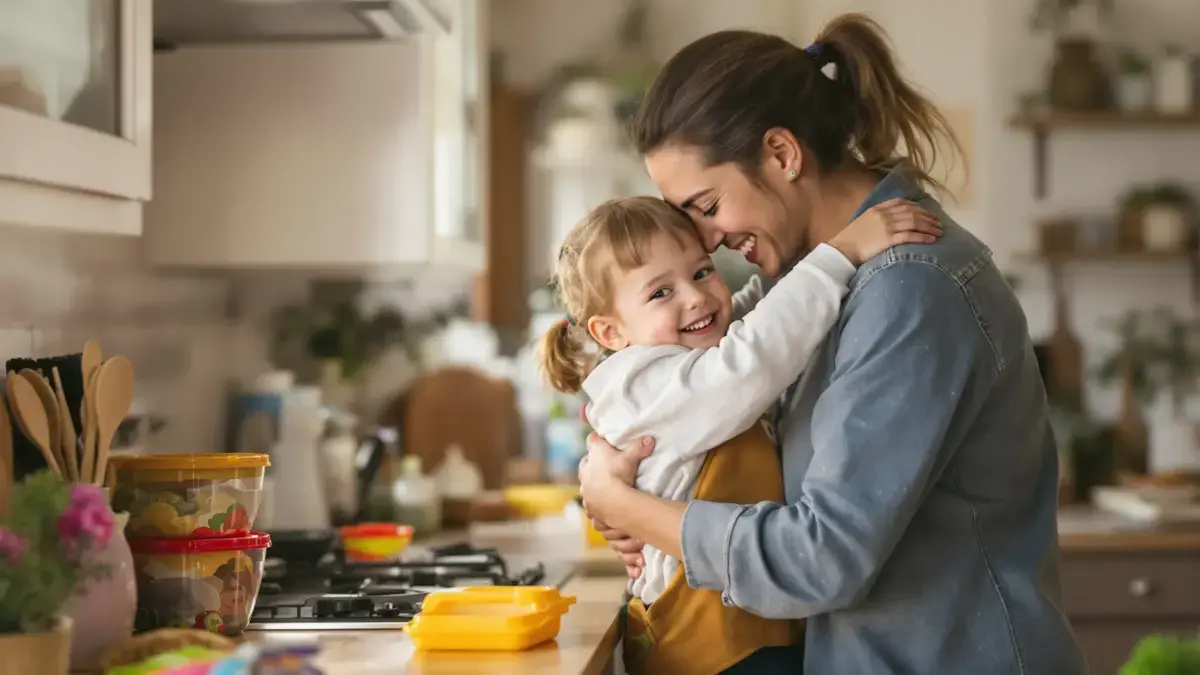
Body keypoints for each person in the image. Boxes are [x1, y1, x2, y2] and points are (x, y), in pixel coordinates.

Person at [577, 13, 1087, 675]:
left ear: (783, 155)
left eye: (706, 205)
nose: (704, 241)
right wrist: (623, 490)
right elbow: (691, 394)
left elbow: (822, 558)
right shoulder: (807, 288)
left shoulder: (911, 290)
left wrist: (635, 510)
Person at [540, 196, 937, 674]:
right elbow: (755, 356)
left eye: (702, 272)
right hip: (708, 650)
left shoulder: (683, 361)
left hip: (742, 632)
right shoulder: (645, 382)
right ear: (611, 332)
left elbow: (753, 323)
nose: (695, 296)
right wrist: (841, 252)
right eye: (660, 293)